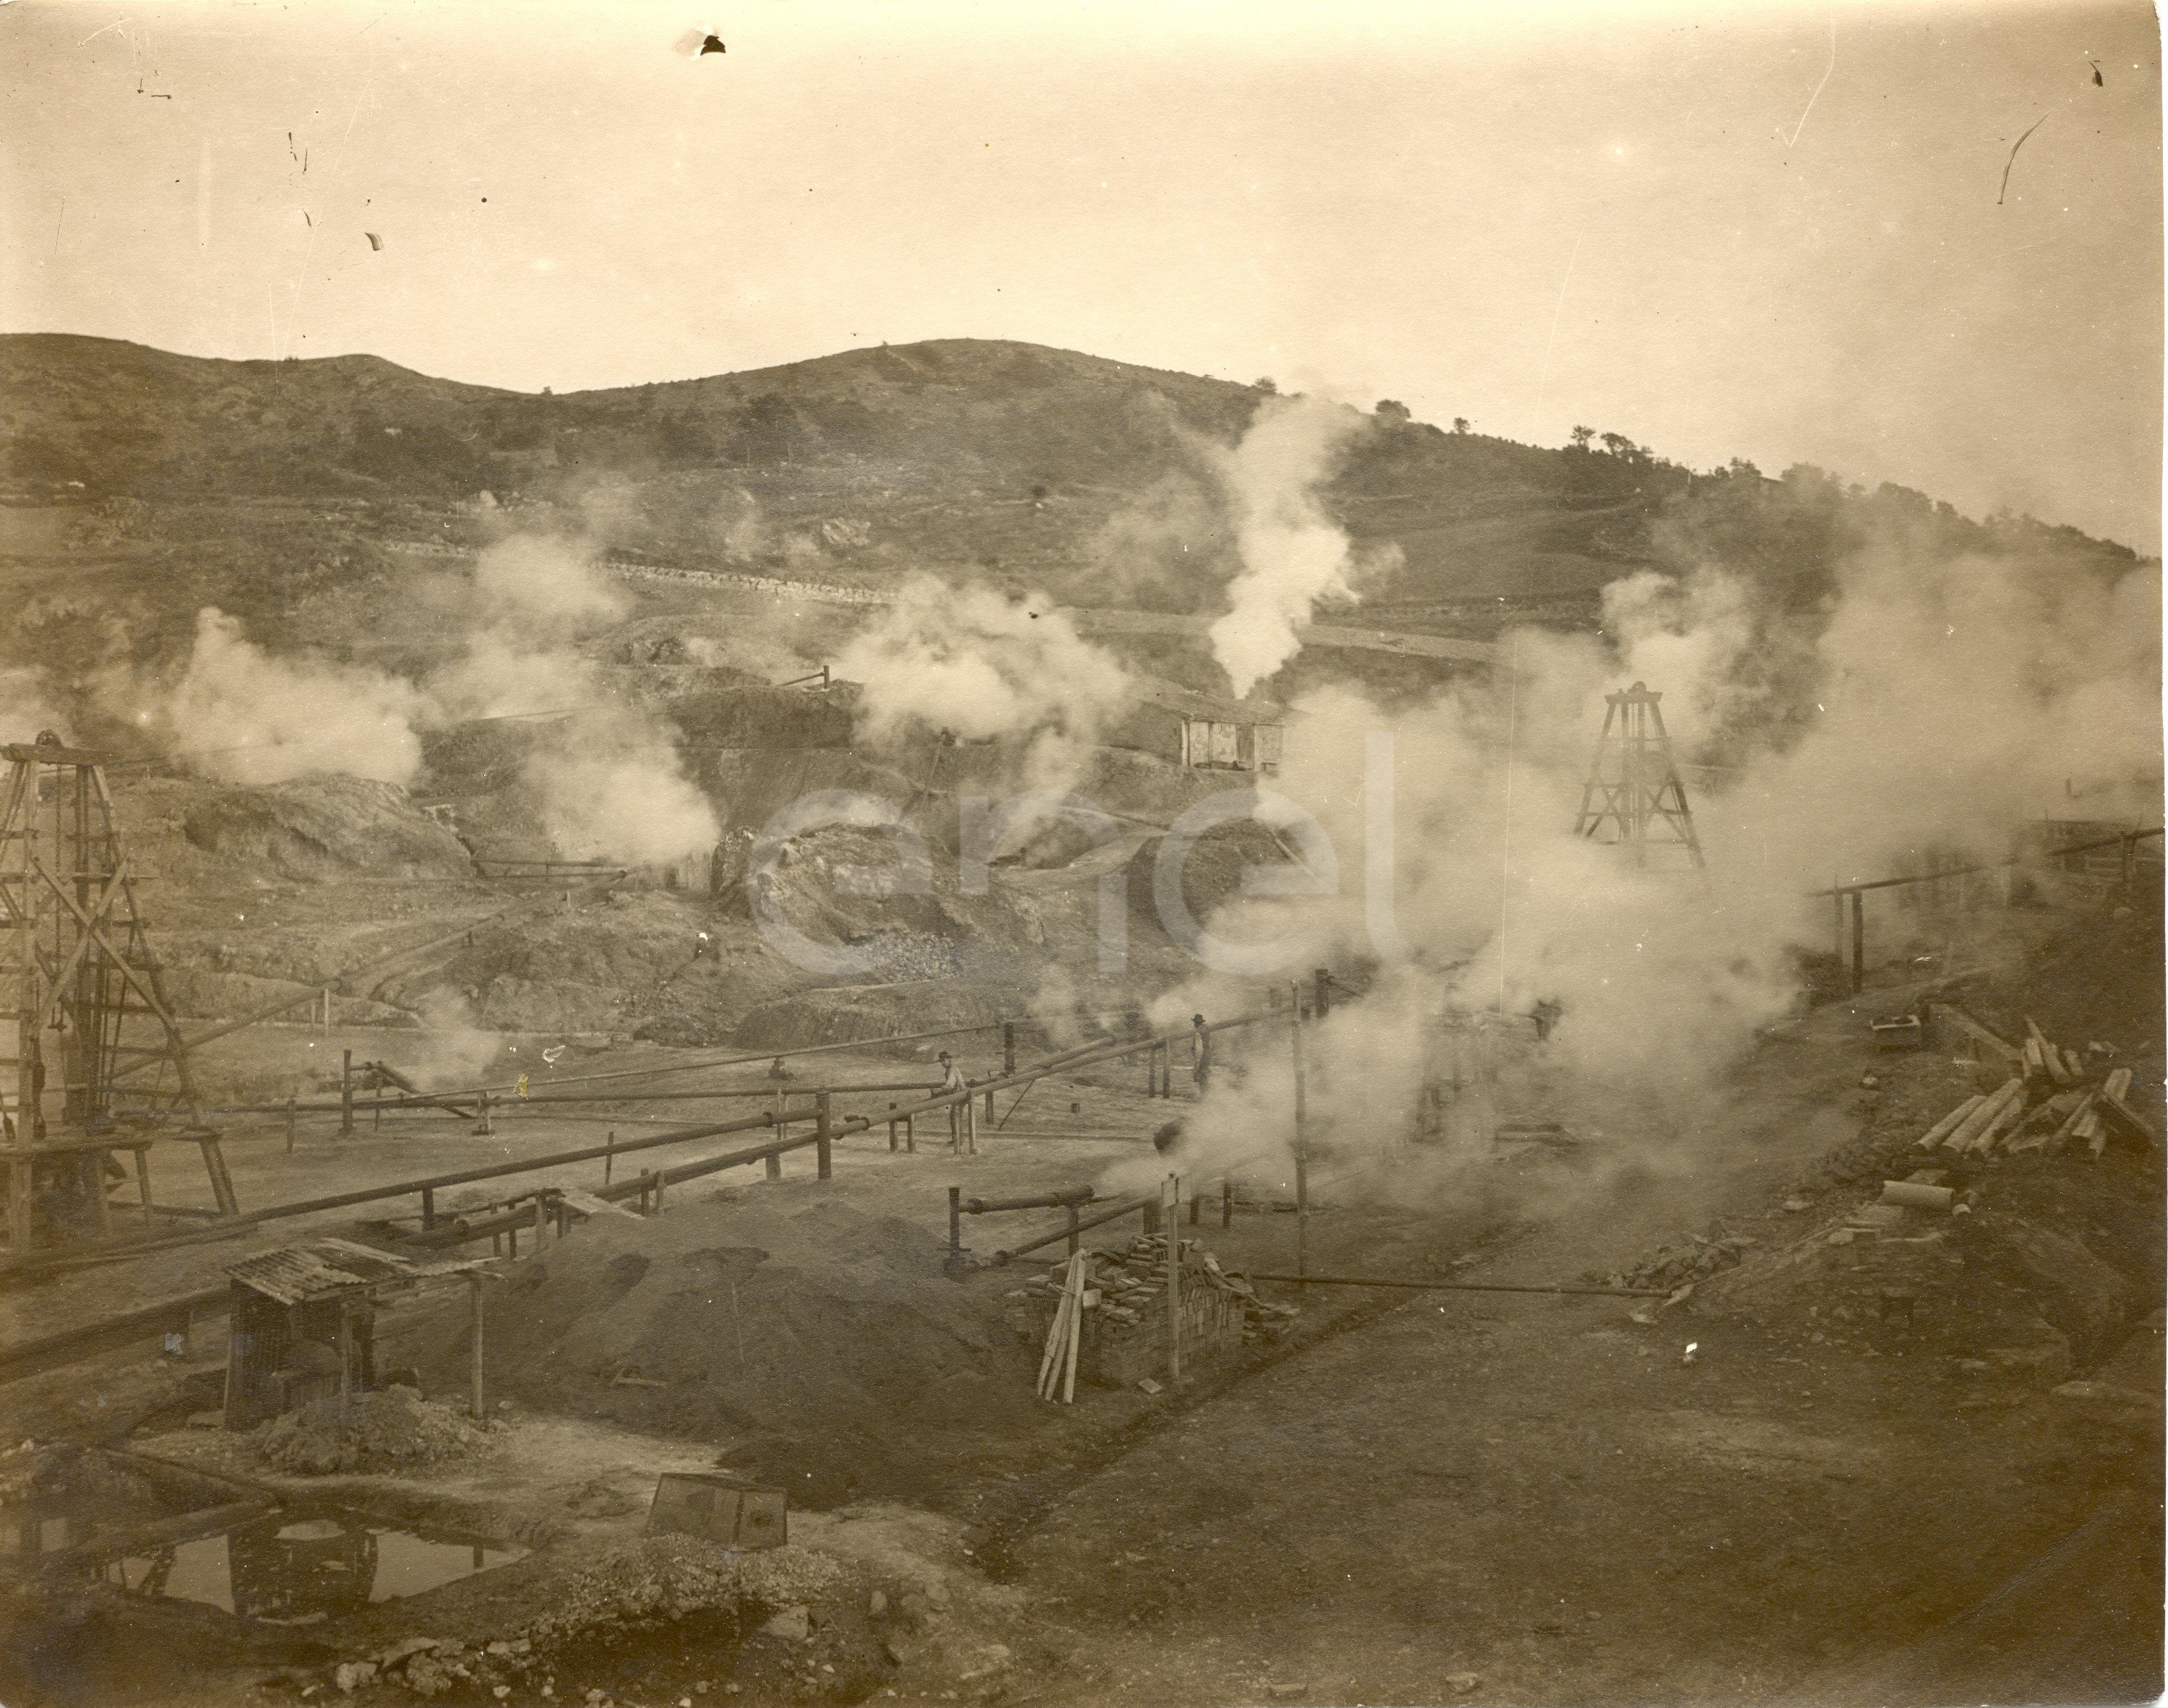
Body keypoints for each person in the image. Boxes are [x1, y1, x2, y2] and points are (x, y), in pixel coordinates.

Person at [939, 1051, 975, 1155]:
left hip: (960, 1094)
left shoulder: (951, 1070)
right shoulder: (950, 1069)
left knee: (954, 1117)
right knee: (954, 1117)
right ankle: (957, 1138)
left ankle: (959, 1140)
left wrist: (941, 1089)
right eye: (941, 1061)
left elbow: (950, 1085)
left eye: (943, 1060)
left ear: (949, 1060)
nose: (942, 1063)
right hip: (958, 1094)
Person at [1190, 1014, 1215, 1096]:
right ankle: (1206, 1095)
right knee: (1204, 1074)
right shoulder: (1206, 1030)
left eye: (1195, 1023)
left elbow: (1198, 1048)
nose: (1194, 1024)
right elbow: (1210, 1044)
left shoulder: (1198, 1033)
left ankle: (1203, 1095)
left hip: (1202, 1056)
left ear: (1197, 1023)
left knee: (1201, 1075)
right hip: (1207, 1055)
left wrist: (1197, 1060)